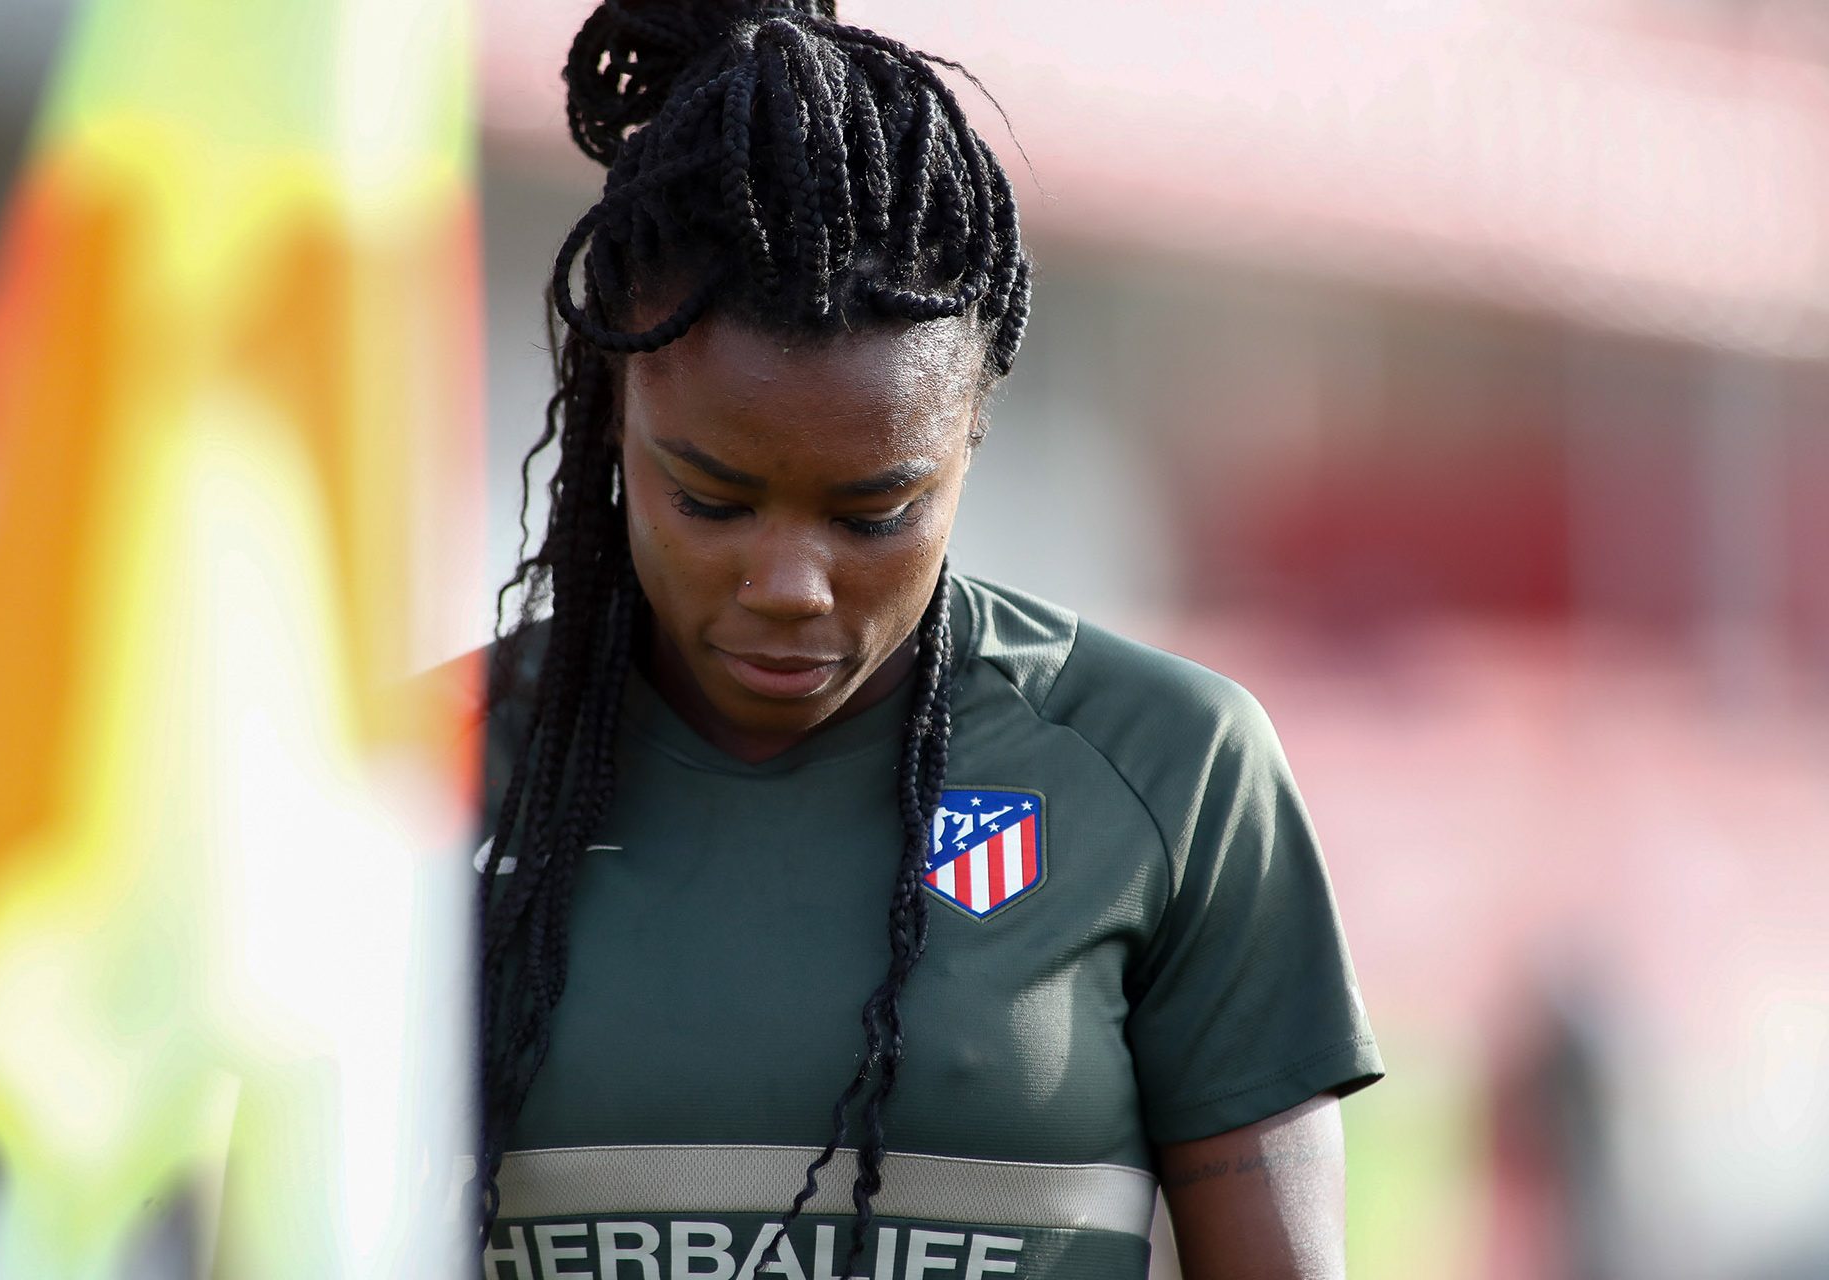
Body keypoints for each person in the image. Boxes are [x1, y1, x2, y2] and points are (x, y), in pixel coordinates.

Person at [467, 2, 1383, 1276]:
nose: (790, 581)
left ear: (971, 441)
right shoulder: (419, 774)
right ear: (611, 409)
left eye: (875, 510)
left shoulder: (1173, 770)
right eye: (710, 497)